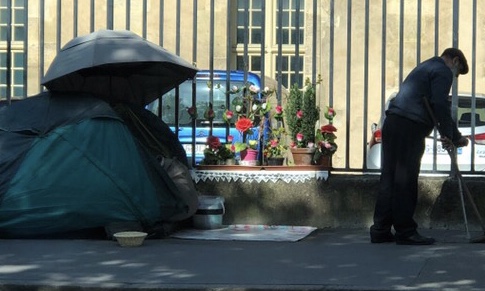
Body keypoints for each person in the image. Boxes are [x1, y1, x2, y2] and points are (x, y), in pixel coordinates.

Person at [370, 48, 470, 245]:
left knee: (390, 177)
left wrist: (448, 133)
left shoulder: (425, 66)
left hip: (393, 123)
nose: (454, 77)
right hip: (410, 127)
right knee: (405, 180)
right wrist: (453, 136)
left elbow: (431, 103)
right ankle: (405, 231)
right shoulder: (442, 70)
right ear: (455, 61)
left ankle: (380, 229)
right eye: (457, 73)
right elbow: (440, 104)